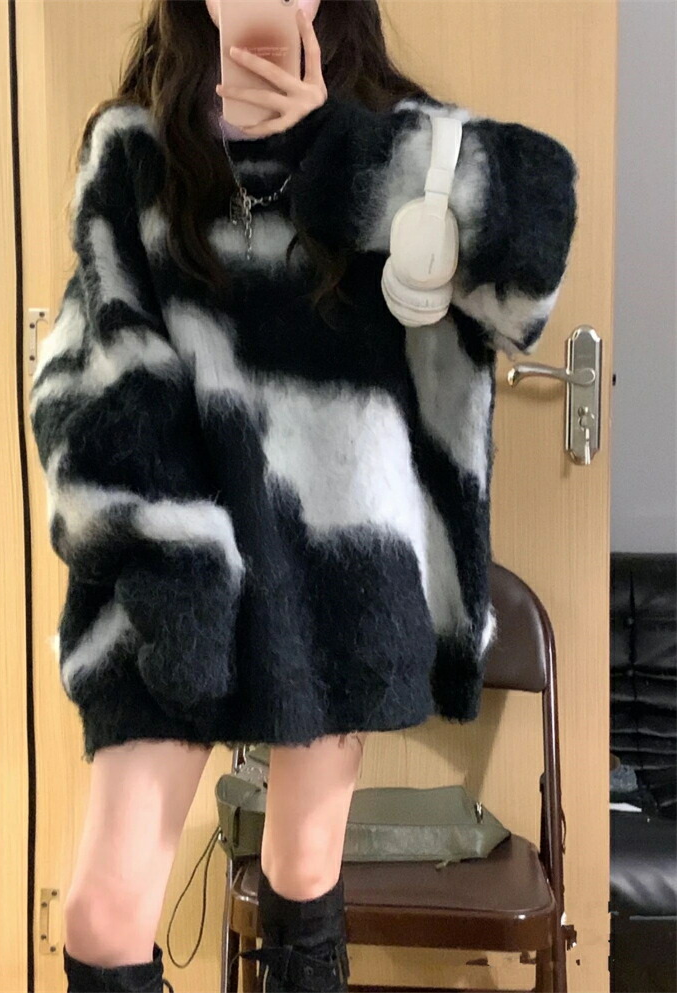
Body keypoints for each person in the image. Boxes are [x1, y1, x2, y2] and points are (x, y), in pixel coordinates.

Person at [29, 0, 578, 990]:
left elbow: (531, 257)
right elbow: (95, 375)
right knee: (104, 915)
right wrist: (175, 564)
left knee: (301, 872)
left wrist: (344, 150)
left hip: (337, 570)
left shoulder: (393, 133)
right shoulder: (137, 149)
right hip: (173, 562)